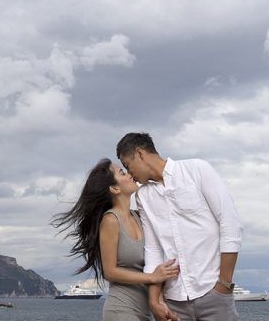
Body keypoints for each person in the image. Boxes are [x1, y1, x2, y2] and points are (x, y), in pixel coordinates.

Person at [116, 132, 243, 321]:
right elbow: (153, 248)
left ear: (140, 153)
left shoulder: (197, 169)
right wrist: (154, 301)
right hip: (173, 303)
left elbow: (230, 223)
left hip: (213, 293)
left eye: (127, 166)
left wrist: (223, 285)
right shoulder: (143, 196)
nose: (130, 175)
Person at [52, 158, 180, 321]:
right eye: (122, 173)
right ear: (114, 188)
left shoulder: (139, 216)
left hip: (144, 312)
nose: (130, 175)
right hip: (121, 309)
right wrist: (152, 277)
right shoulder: (111, 220)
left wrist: (159, 300)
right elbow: (110, 272)